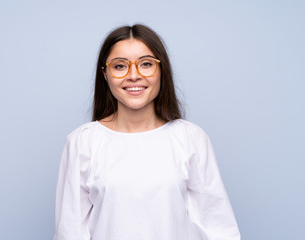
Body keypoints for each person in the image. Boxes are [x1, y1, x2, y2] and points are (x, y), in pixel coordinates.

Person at [53, 24, 241, 240]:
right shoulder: (82, 142)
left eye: (146, 64)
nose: (134, 75)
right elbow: (70, 232)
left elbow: (219, 227)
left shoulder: (190, 138)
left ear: (162, 70)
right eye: (120, 66)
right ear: (105, 74)